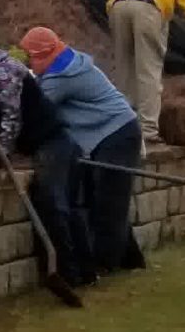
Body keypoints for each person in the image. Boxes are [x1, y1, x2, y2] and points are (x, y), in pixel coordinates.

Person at [0, 30, 93, 287]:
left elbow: (12, 118)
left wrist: (3, 154)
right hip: (32, 144)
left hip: (53, 140)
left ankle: (73, 273)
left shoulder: (4, 71)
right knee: (50, 199)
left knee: (52, 200)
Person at [20, 26, 145, 275]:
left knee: (109, 201)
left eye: (30, 58)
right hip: (110, 133)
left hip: (117, 133)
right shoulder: (66, 62)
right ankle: (129, 259)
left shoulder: (61, 76)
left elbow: (37, 110)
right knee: (107, 198)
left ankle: (104, 264)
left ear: (43, 55)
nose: (29, 64)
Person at [106, 0, 185, 145]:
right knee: (148, 70)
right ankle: (147, 131)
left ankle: (122, 126)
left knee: (124, 70)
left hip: (117, 6)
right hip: (147, 7)